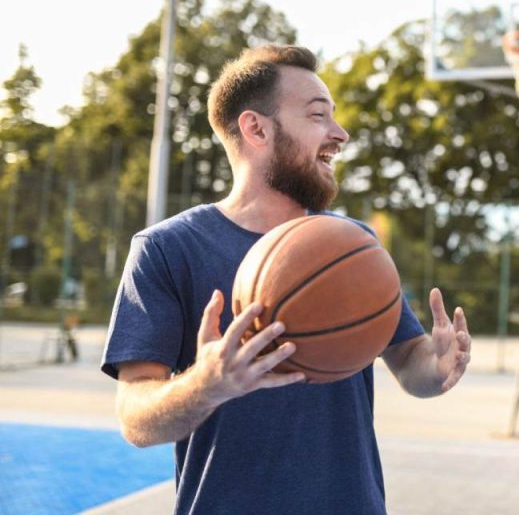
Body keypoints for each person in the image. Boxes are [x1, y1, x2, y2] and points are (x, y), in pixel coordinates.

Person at [101, 45, 472, 515]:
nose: (339, 134)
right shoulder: (167, 249)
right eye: (318, 116)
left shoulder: (351, 244)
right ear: (256, 128)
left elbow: (409, 362)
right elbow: (135, 417)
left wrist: (437, 368)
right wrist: (205, 384)